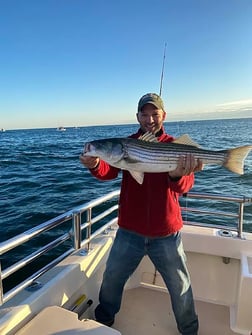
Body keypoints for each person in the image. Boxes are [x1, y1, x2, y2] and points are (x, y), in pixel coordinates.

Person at [80, 93, 203, 335]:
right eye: (144, 114)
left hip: (166, 232)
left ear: (163, 115)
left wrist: (178, 174)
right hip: (129, 231)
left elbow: (185, 187)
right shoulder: (126, 145)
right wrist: (95, 163)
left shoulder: (175, 146)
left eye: (154, 114)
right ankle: (103, 320)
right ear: (137, 117)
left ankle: (189, 330)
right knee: (112, 278)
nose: (149, 119)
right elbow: (109, 171)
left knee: (180, 285)